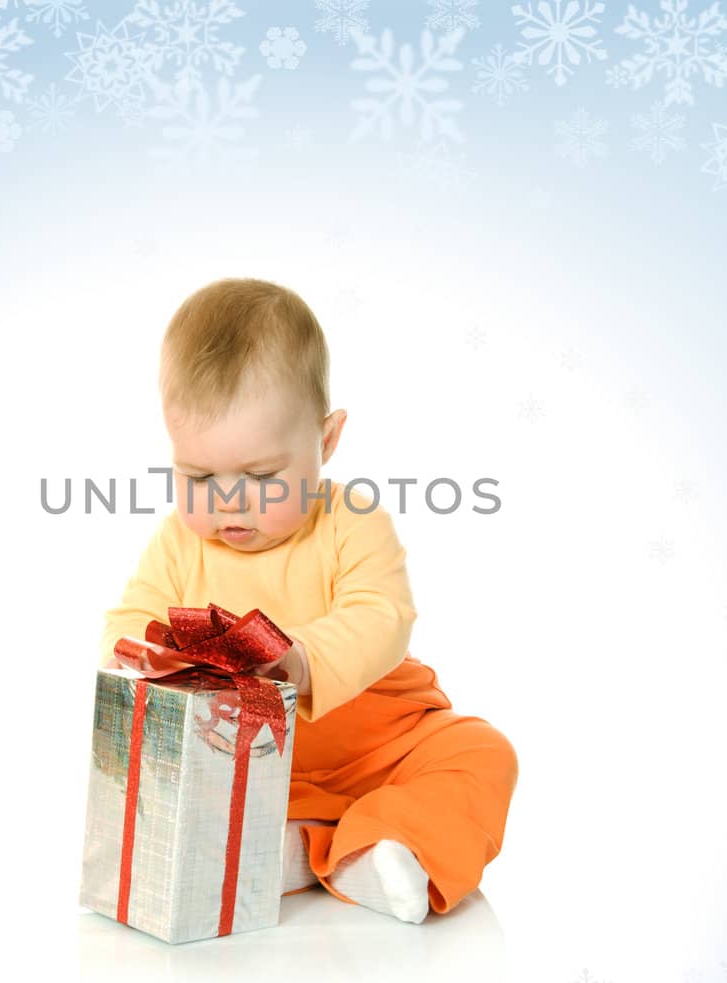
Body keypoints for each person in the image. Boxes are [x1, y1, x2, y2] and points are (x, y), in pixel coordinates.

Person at [99, 276, 518, 924]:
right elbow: (131, 621)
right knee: (198, 793)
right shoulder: (179, 542)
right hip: (264, 758)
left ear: (325, 440)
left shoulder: (352, 519)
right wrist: (146, 660)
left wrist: (300, 657)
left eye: (262, 475)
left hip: (385, 745)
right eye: (200, 475)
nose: (230, 499)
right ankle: (300, 847)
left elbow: (382, 616)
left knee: (483, 751)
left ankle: (392, 844)